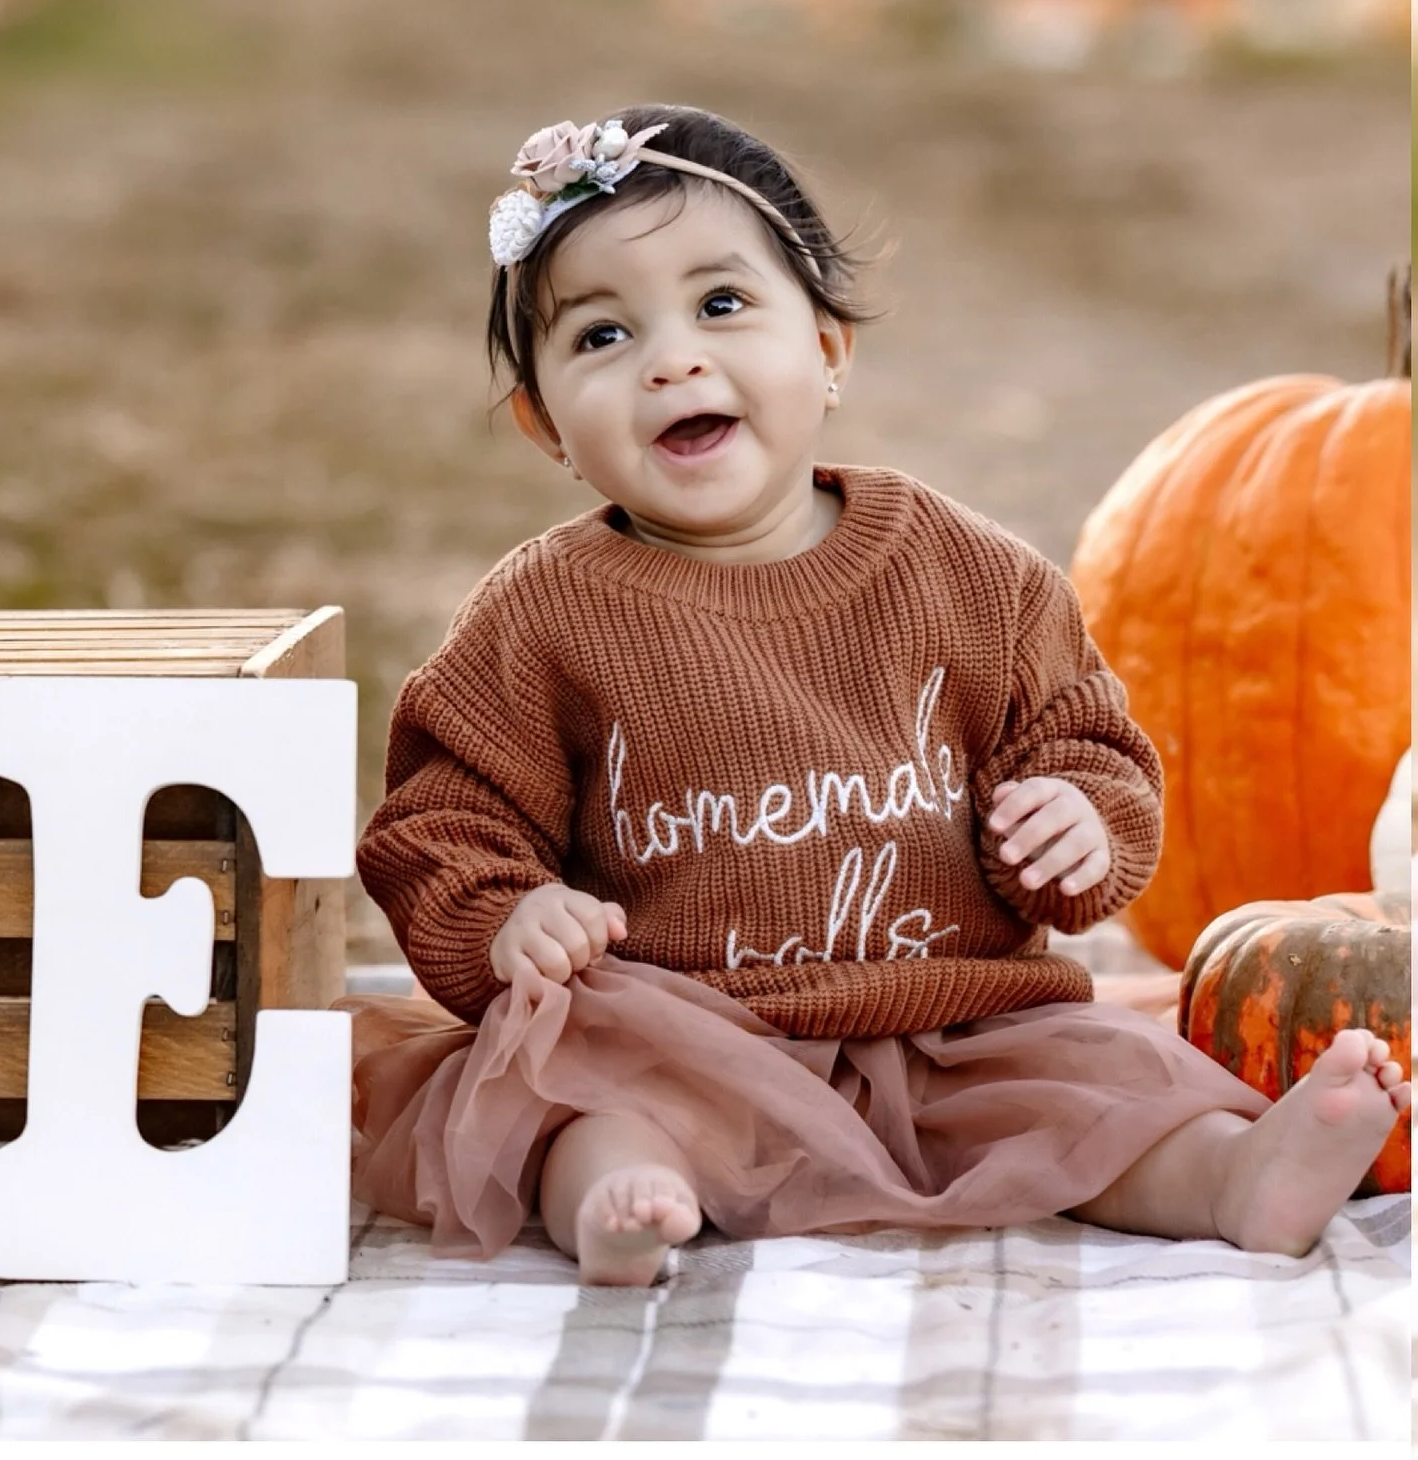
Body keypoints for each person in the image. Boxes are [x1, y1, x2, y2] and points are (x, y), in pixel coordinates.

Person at [342, 105, 1410, 1288]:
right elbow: (445, 817)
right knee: (583, 1099)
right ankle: (620, 1205)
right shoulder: (543, 614)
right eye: (601, 336)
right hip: (692, 1033)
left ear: (831, 353)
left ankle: (1232, 1176)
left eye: (722, 305)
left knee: (1102, 1094)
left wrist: (1077, 822)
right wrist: (505, 915)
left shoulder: (967, 572)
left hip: (967, 1020)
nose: (671, 359)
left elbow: (1086, 740)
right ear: (547, 424)